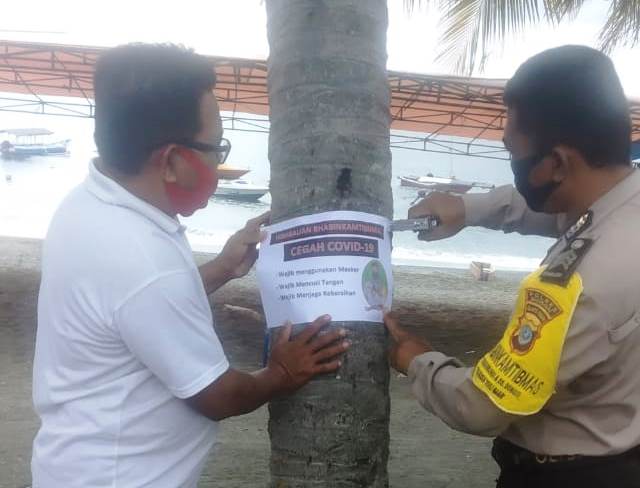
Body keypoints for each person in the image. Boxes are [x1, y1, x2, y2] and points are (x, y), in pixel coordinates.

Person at [31, 43, 350, 488]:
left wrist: (221, 268)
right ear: (173, 161)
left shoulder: (87, 202)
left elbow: (132, 310)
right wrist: (281, 373)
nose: (219, 164)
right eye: (216, 148)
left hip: (74, 463)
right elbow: (217, 395)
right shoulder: (141, 256)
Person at [385, 45, 640, 487]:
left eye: (513, 152)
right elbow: (563, 209)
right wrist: (467, 208)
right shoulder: (622, 205)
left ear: (558, 162)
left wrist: (415, 359)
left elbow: (484, 404)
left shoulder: (580, 283)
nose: (514, 166)